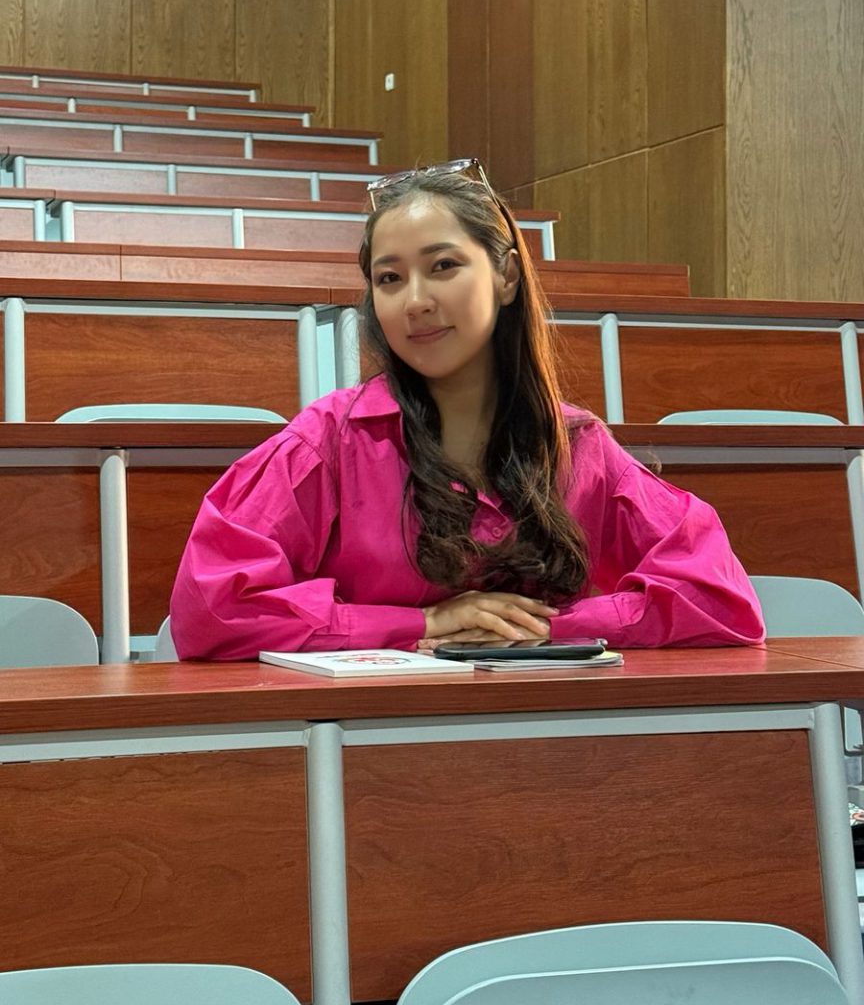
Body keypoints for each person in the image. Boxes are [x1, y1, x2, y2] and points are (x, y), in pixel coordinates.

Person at [169, 160, 765, 659]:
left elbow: (720, 598)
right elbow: (211, 607)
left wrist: (542, 629)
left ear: (506, 276)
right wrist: (423, 624)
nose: (416, 301)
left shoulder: (578, 445)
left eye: (443, 266)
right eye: (389, 278)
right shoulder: (326, 441)